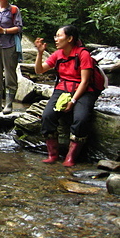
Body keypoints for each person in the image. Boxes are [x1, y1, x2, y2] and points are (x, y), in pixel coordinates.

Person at [34, 25, 98, 167]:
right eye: (55, 36)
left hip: (84, 91)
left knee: (80, 119)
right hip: (62, 89)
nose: (56, 39)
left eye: (59, 36)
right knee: (47, 116)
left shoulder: (83, 54)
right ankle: (53, 155)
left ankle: (70, 157)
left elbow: (85, 81)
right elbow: (39, 70)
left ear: (70, 38)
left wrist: (73, 100)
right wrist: (39, 53)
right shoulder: (58, 54)